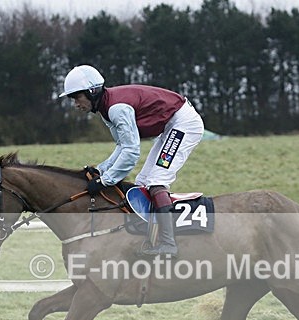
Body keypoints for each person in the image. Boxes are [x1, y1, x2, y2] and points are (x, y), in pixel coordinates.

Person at [59, 64, 204, 257]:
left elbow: (131, 152)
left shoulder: (116, 108)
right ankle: (152, 237)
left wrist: (105, 180)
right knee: (142, 183)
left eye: (77, 97)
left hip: (183, 123)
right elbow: (121, 145)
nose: (76, 104)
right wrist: (101, 170)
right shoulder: (105, 109)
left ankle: (169, 244)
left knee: (156, 181)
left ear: (92, 91)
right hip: (170, 126)